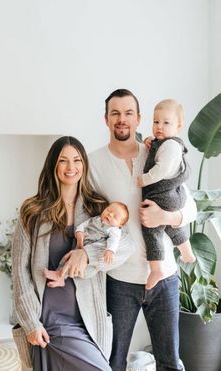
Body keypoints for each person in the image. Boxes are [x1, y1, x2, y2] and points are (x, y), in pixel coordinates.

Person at [87, 89, 197, 371]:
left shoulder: (160, 152)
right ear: (106, 119)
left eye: (127, 113)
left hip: (166, 279)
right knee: (113, 361)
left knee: (169, 361)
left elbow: (191, 207)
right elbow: (85, 216)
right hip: (119, 280)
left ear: (138, 119)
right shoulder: (93, 163)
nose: (121, 119)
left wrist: (167, 216)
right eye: (115, 113)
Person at [11, 136, 133, 371]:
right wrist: (30, 323)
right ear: (53, 166)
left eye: (77, 160)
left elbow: (126, 245)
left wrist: (87, 254)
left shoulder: (98, 208)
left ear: (84, 165)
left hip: (89, 321)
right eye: (63, 161)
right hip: (50, 321)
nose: (71, 167)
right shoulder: (32, 212)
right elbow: (20, 273)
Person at [137, 99, 196, 289]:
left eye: (166, 123)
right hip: (171, 196)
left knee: (151, 229)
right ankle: (186, 252)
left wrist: (144, 179)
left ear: (178, 126)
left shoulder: (171, 146)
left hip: (163, 194)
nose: (159, 126)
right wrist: (149, 141)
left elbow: (161, 170)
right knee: (170, 226)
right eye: (156, 122)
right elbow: (157, 149)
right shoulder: (164, 143)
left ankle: (156, 269)